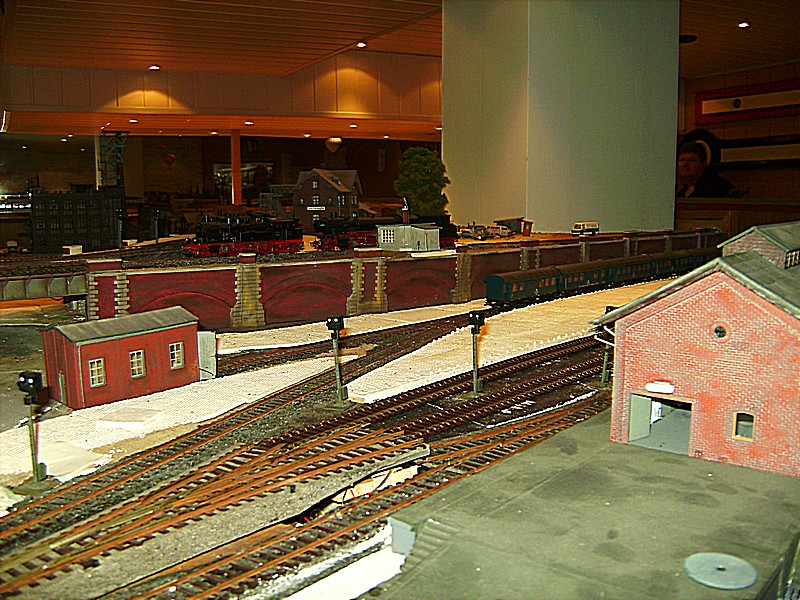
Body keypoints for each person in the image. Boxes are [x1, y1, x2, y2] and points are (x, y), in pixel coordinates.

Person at [676, 141, 740, 198]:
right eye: (682, 160)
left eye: (692, 160)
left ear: (703, 165)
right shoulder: (683, 191)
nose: (685, 164)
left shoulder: (717, 187)